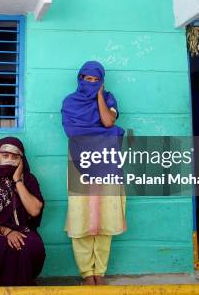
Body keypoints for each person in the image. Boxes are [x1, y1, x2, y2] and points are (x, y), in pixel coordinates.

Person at [61, 61, 126, 285]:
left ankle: (101, 271)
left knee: (106, 215)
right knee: (81, 217)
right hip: (79, 161)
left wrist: (100, 95)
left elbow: (108, 122)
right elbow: (72, 131)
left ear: (101, 82)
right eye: (86, 79)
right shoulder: (70, 102)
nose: (89, 83)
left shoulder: (109, 99)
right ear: (79, 78)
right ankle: (87, 273)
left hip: (106, 161)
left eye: (95, 80)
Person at [0, 137, 45, 286]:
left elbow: (35, 210)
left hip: (23, 230)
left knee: (32, 245)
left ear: (22, 160)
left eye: (15, 157)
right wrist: (6, 232)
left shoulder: (28, 180)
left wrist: (17, 180)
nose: (10, 160)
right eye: (5, 155)